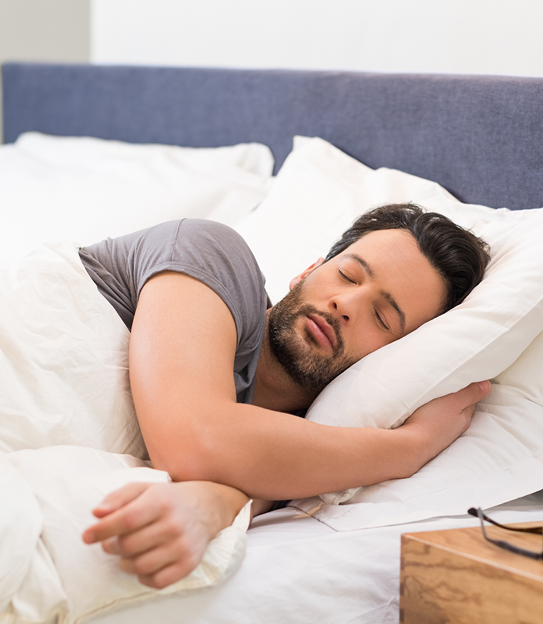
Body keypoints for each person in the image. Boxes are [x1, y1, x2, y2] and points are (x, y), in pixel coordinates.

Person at [80, 203, 491, 589]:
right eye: (347, 275)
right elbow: (195, 441)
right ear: (309, 270)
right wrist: (412, 446)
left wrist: (217, 500)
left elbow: (247, 465)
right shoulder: (212, 254)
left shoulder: (307, 451)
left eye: (382, 318)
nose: (344, 304)